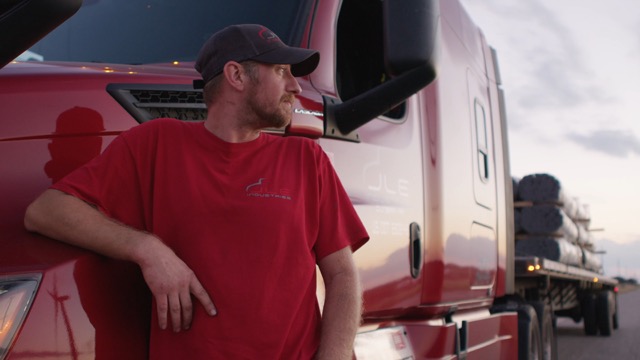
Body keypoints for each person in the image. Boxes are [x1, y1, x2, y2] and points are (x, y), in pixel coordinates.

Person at [24, 24, 369, 359]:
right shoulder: (156, 144)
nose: (295, 86)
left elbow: (341, 274)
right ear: (236, 76)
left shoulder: (307, 159)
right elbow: (46, 211)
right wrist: (147, 249)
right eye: (281, 71)